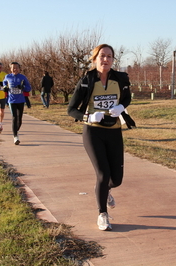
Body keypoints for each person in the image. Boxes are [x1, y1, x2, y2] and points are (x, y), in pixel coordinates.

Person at [67, 44, 133, 231]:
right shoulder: (87, 80)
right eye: (102, 56)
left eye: (109, 56)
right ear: (95, 58)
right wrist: (88, 116)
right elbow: (71, 110)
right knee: (103, 174)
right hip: (93, 131)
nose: (106, 60)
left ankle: (105, 191)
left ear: (113, 60)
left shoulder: (120, 79)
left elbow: (127, 97)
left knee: (117, 179)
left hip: (114, 131)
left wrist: (121, 107)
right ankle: (102, 214)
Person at [3, 62, 31, 145]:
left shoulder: (23, 77)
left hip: (21, 100)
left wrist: (23, 87)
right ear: (10, 69)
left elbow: (29, 88)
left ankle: (16, 130)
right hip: (12, 100)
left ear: (19, 69)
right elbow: (4, 83)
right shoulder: (8, 76)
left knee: (20, 119)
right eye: (13, 68)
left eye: (17, 68)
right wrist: (5, 87)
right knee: (14, 117)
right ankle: (15, 136)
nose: (15, 69)